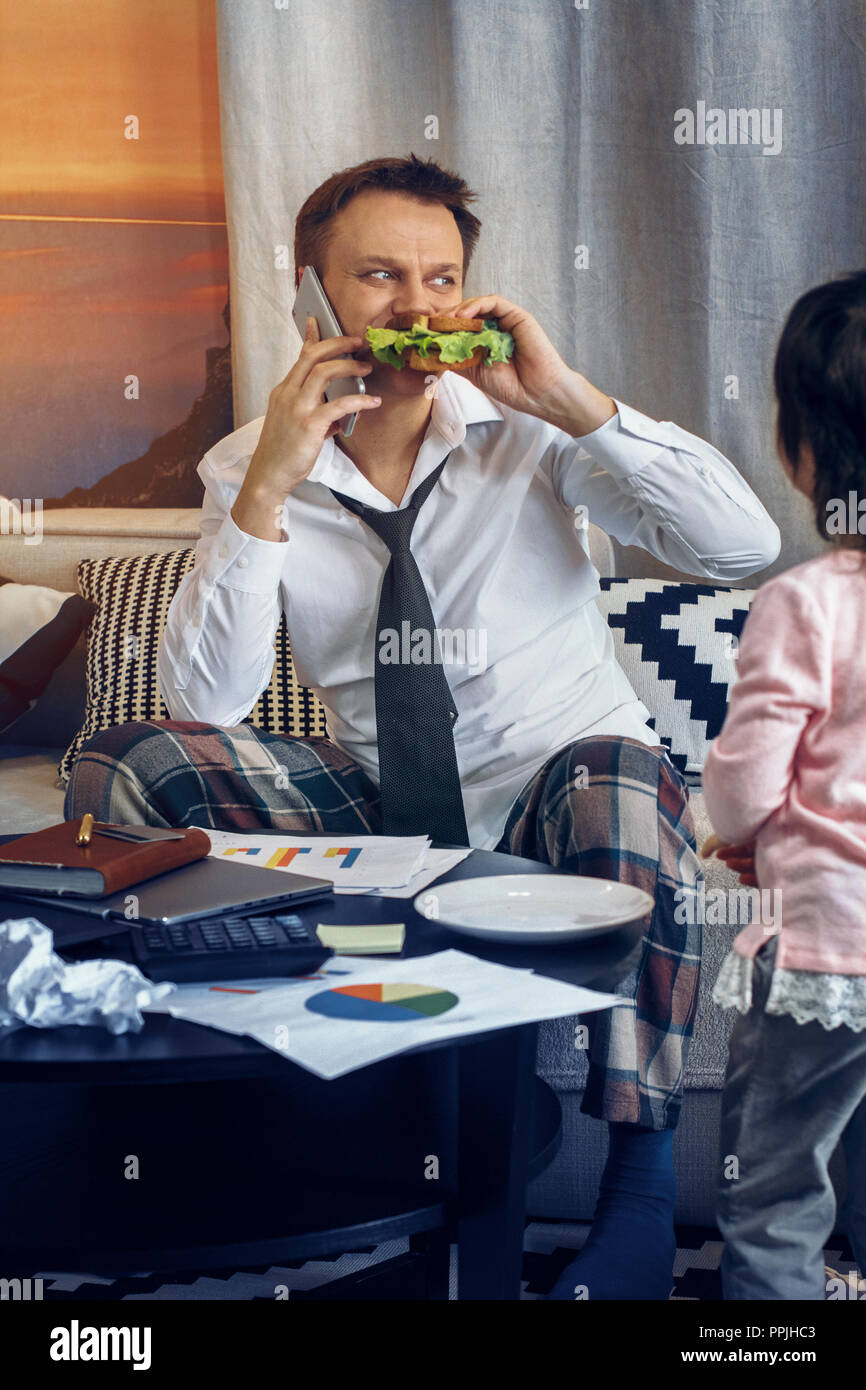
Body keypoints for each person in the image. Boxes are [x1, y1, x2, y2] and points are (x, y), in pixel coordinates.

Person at [64, 154, 780, 1300]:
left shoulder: (529, 431)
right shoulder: (248, 464)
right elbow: (204, 708)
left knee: (619, 776)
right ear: (311, 301)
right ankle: (172, 1129)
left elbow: (741, 549)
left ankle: (638, 1201)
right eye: (378, 276)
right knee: (124, 762)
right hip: (382, 801)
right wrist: (269, 488)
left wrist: (571, 402)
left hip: (565, 785)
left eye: (438, 278)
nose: (412, 307)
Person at [701, 270, 866, 1300]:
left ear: (800, 453)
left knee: (772, 1192)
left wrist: (740, 825)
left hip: (825, 947)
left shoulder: (805, 602)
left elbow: (747, 783)